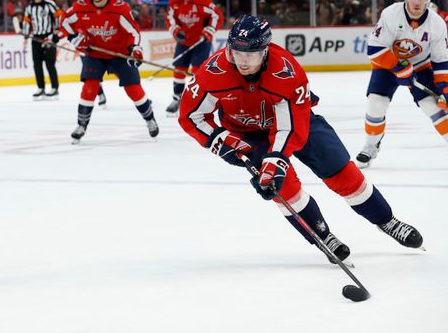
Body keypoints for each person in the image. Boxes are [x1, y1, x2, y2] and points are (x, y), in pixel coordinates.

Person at [179, 15, 424, 262]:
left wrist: (276, 158)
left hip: (296, 123)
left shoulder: (286, 71)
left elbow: (289, 127)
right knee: (281, 186)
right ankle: (323, 236)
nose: (242, 61)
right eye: (237, 53)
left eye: (250, 55)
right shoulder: (213, 71)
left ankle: (386, 220)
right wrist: (218, 139)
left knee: (340, 170)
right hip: (246, 134)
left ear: (265, 51)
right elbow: (190, 115)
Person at [356, 0, 448, 169]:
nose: (417, 2)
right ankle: (371, 144)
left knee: (432, 105)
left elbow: (441, 62)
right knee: (376, 104)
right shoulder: (391, 14)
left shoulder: (437, 24)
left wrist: (446, 89)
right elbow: (374, 49)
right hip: (387, 65)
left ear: (428, 0)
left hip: (420, 66)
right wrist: (399, 68)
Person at [56, 0, 157, 143]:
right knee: (89, 88)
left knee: (133, 89)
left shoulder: (120, 8)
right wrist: (74, 37)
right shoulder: (80, 7)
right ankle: (81, 125)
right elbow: (64, 21)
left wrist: (135, 49)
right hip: (94, 54)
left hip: (120, 54)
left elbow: (134, 31)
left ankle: (150, 119)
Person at [165, 0, 224, 116]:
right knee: (179, 69)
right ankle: (177, 98)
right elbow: (170, 18)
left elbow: (217, 15)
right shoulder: (174, 1)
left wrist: (209, 30)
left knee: (197, 71)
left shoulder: (203, 0)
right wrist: (175, 30)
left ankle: (196, 99)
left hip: (201, 42)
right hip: (184, 41)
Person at [23, 0, 62, 99]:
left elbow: (59, 16)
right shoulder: (29, 7)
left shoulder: (49, 4)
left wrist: (55, 34)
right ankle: (41, 88)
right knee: (37, 64)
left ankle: (55, 88)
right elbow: (26, 21)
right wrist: (25, 32)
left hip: (48, 38)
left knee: (50, 64)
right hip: (36, 38)